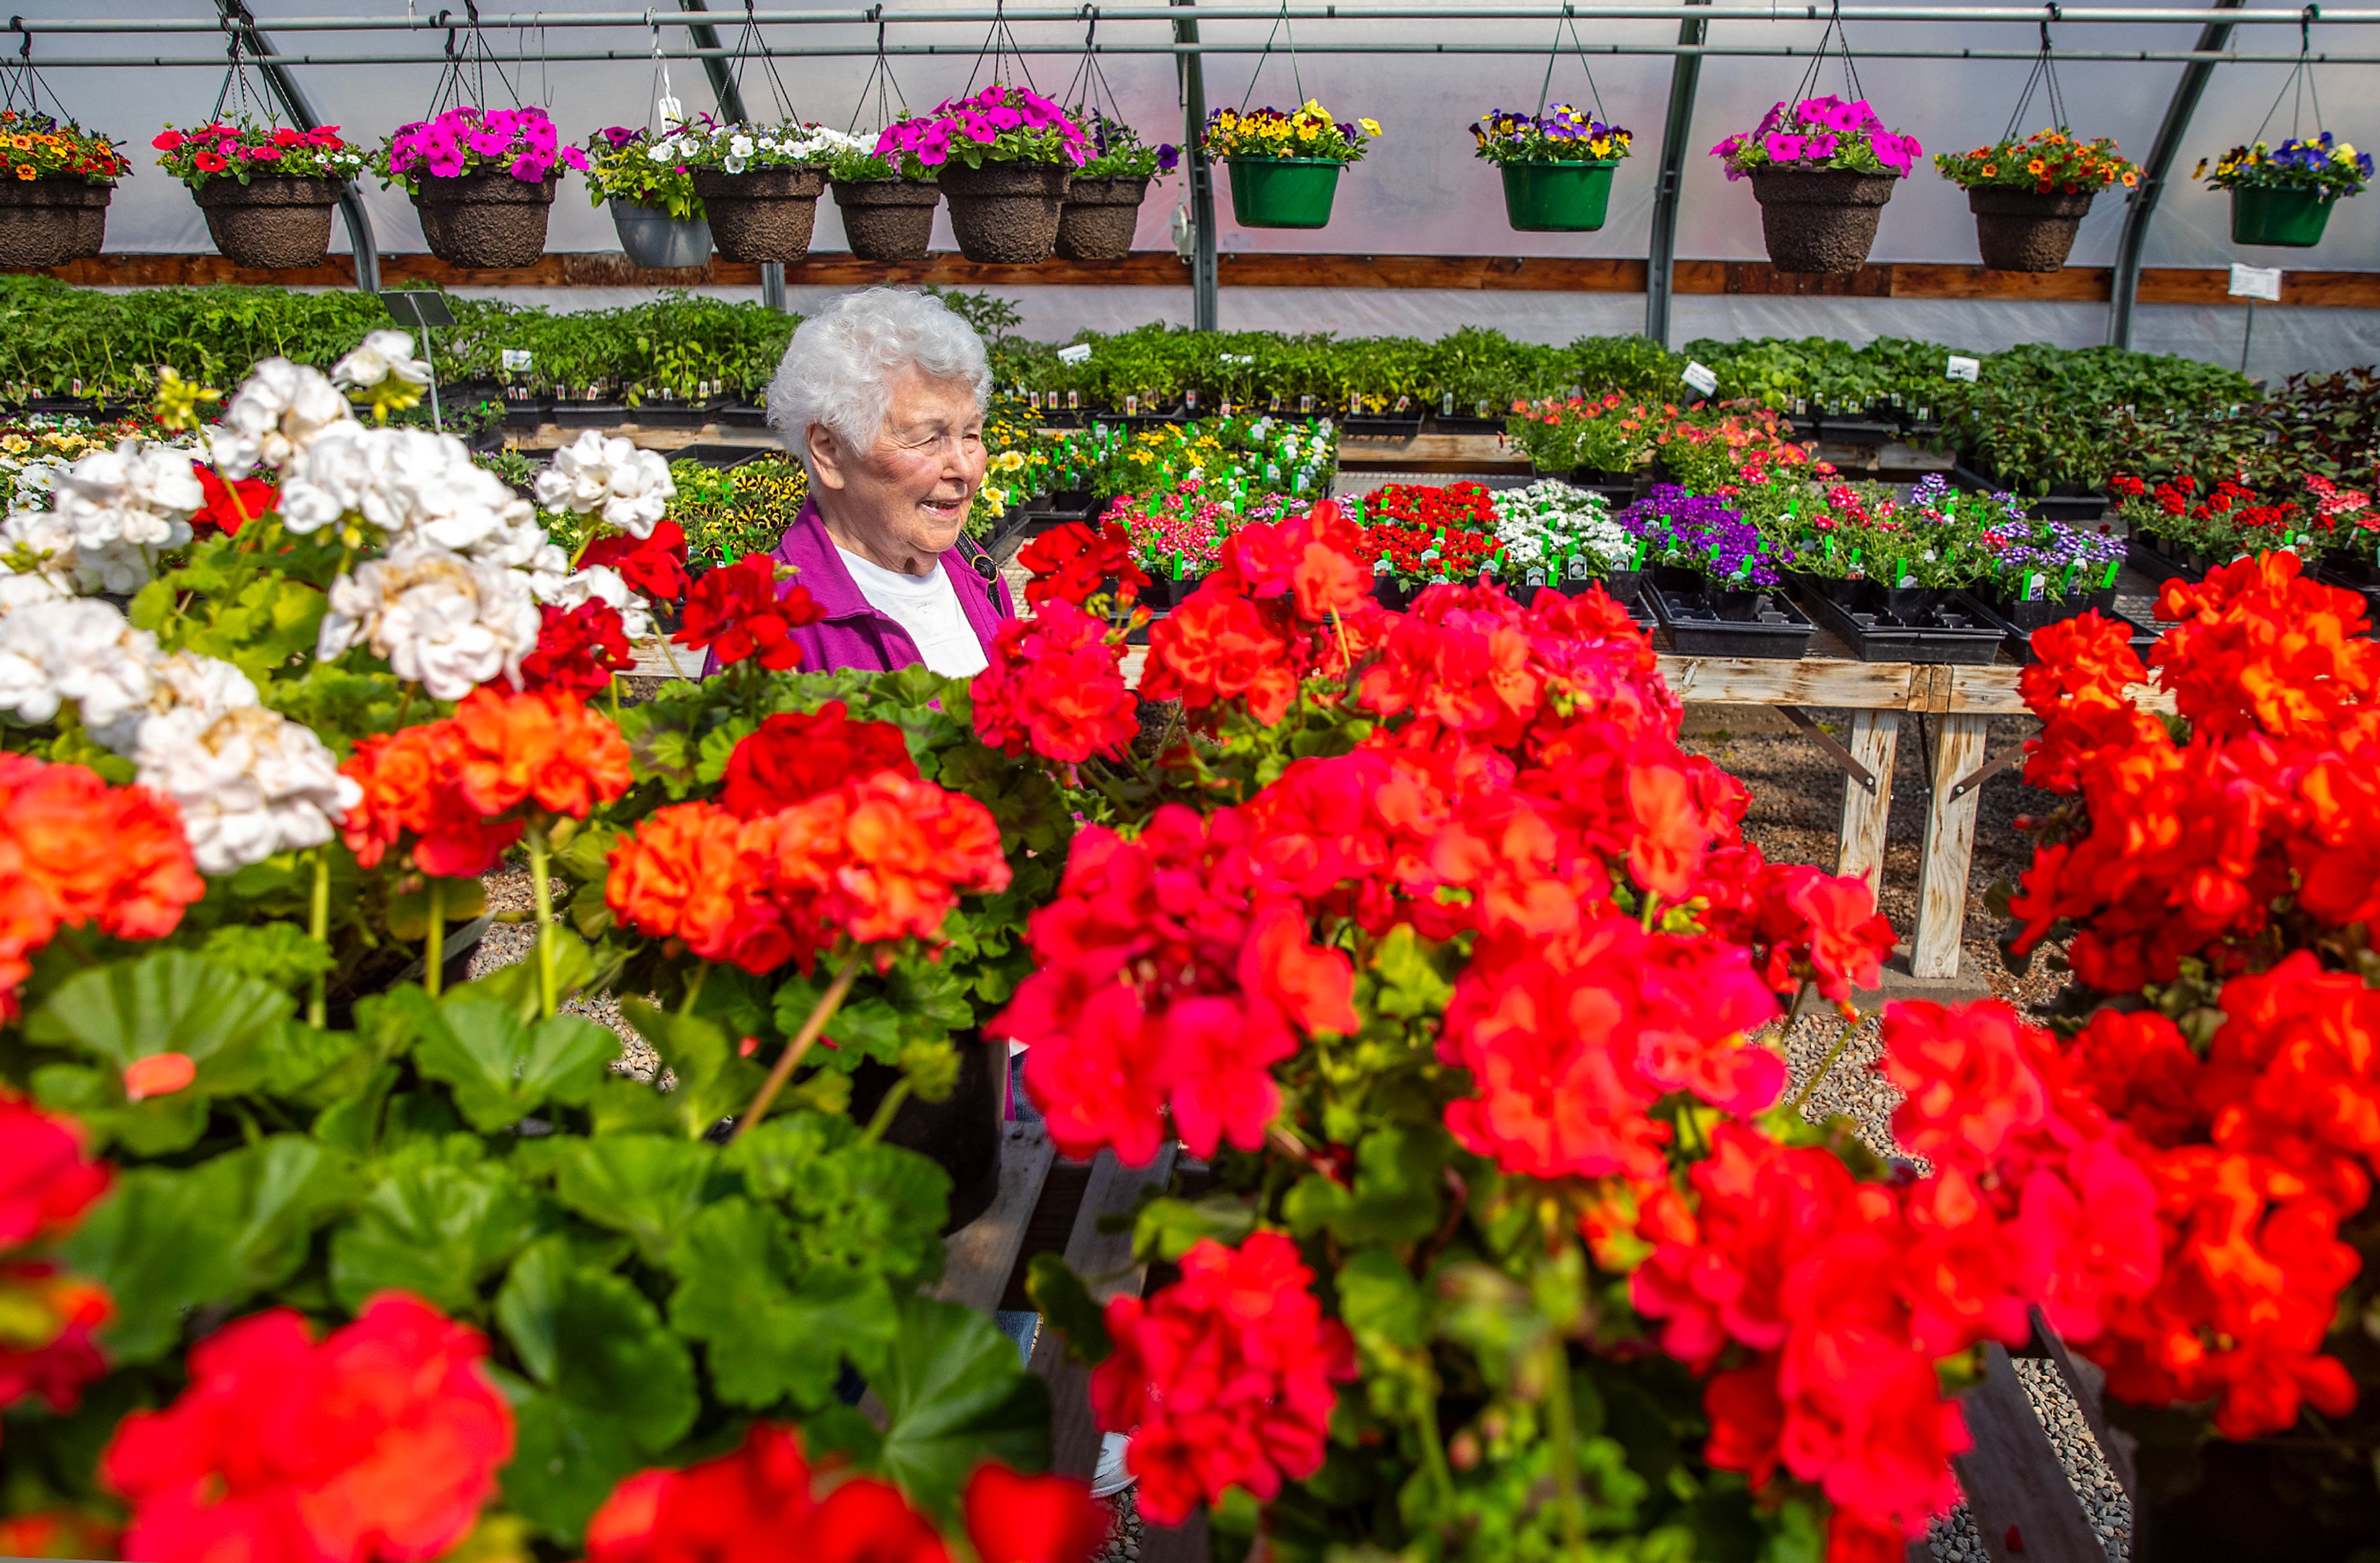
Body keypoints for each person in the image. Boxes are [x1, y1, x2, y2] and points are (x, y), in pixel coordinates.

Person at [744, 286, 1015, 675]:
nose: (966, 469)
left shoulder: (977, 573)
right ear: (830, 451)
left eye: (971, 435)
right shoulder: (774, 626)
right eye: (928, 438)